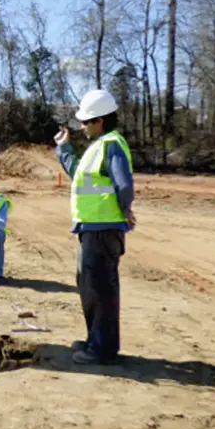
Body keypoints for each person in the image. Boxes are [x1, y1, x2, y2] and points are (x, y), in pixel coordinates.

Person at [54, 89, 135, 365]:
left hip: (103, 229)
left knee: (100, 287)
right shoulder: (97, 148)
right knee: (88, 283)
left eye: (87, 122)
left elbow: (124, 184)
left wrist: (125, 211)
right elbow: (80, 176)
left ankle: (102, 349)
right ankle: (94, 339)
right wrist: (63, 149)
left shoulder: (112, 144)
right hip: (90, 228)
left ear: (100, 121)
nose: (82, 127)